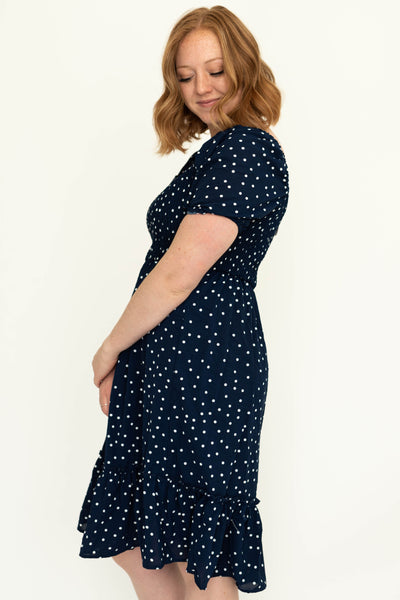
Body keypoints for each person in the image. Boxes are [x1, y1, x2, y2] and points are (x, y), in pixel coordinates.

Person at [77, 5, 289, 599]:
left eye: (216, 70)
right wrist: (135, 357)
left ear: (244, 68)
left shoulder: (245, 150)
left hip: (206, 364)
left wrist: (109, 348)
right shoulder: (224, 152)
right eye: (186, 75)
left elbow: (178, 274)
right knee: (142, 540)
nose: (202, 89)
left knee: (202, 547)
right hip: (175, 360)